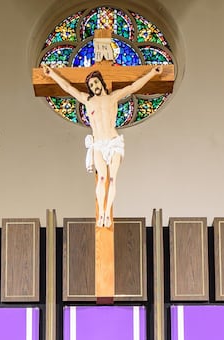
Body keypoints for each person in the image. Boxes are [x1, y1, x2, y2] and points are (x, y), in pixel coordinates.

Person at [42, 63, 165, 227]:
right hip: (98, 144)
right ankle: (101, 213)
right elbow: (68, 88)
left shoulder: (112, 97)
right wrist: (51, 74)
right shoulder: (87, 100)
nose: (94, 86)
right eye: (91, 85)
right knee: (101, 178)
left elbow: (133, 87)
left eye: (96, 82)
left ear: (101, 82)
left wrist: (152, 73)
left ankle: (107, 213)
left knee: (112, 178)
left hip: (113, 142)